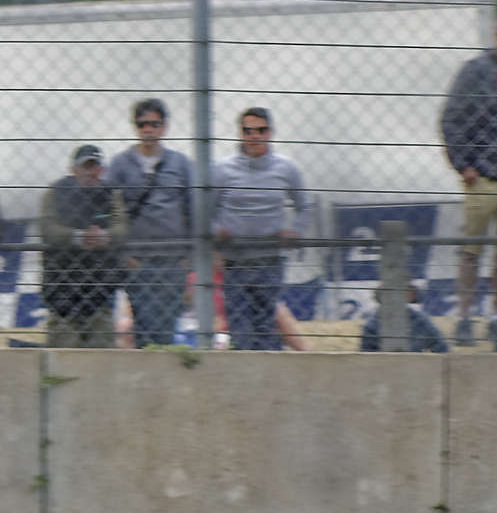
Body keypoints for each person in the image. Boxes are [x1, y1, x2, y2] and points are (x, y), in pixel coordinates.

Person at [441, 13, 497, 345]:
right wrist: (464, 164)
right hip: (483, 178)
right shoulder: (475, 71)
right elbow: (451, 118)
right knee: (471, 252)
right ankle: (464, 317)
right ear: (494, 34)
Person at [213, 106, 308, 352]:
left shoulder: (286, 168)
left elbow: (306, 206)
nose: (254, 136)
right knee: (240, 329)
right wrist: (216, 231)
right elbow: (204, 210)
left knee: (266, 326)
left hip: (270, 262)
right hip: (235, 262)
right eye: (248, 130)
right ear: (240, 134)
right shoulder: (222, 169)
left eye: (261, 130)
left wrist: (295, 231)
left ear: (271, 132)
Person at [107, 99, 194, 349]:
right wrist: (124, 254)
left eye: (154, 124)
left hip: (172, 261)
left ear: (164, 127)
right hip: (138, 261)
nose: (148, 129)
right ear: (136, 127)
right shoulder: (120, 164)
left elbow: (192, 210)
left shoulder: (180, 164)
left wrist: (187, 255)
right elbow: (109, 211)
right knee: (142, 325)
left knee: (167, 326)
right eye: (143, 124)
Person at [39, 144, 125, 347]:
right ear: (74, 169)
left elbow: (122, 227)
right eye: (86, 166)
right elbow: (47, 227)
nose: (91, 172)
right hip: (61, 289)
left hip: (99, 291)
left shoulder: (110, 194)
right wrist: (78, 237)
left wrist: (105, 236)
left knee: (102, 357)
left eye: (95, 166)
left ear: (101, 169)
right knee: (63, 359)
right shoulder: (55, 192)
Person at [359, 280, 451, 351]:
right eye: (390, 294)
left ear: (409, 296)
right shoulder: (372, 326)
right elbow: (365, 361)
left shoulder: (420, 321)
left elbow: (442, 349)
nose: (394, 298)